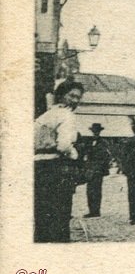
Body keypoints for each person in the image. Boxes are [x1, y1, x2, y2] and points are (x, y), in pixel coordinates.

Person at [33, 80, 85, 242]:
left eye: (78, 97)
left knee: (42, 217)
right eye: (72, 96)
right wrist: (74, 153)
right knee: (59, 219)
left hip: (38, 167)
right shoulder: (67, 115)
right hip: (56, 170)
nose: (75, 100)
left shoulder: (45, 116)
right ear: (62, 96)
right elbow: (64, 145)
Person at [80, 122, 112, 218]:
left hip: (98, 169)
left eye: (97, 131)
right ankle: (91, 210)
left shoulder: (103, 142)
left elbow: (106, 156)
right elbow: (85, 153)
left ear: (99, 132)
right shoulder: (89, 142)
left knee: (96, 190)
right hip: (90, 169)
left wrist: (101, 166)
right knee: (89, 190)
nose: (95, 133)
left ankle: (96, 210)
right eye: (94, 131)